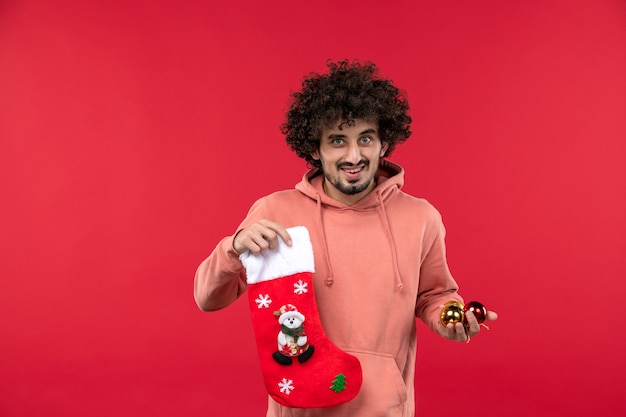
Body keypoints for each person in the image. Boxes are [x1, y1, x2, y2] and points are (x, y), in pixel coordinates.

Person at [194, 59, 498, 416]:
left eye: (365, 139)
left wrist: (450, 317)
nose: (353, 156)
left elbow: (433, 296)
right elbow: (207, 299)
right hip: (300, 408)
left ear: (384, 143)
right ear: (314, 149)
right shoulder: (275, 213)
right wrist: (233, 249)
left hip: (384, 409)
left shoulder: (421, 218)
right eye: (337, 141)